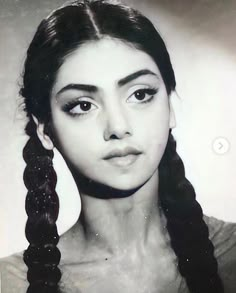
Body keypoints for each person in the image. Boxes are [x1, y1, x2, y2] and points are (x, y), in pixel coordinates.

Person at [0, 0, 236, 292]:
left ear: (171, 105)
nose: (118, 127)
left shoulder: (232, 255)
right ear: (44, 129)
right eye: (83, 105)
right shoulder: (9, 284)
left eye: (140, 94)